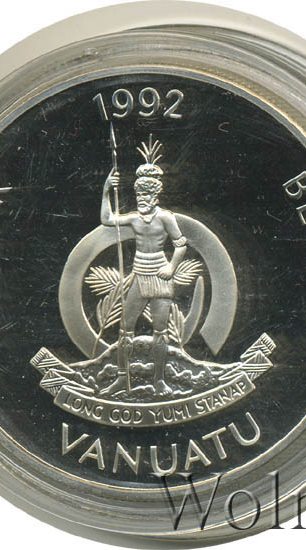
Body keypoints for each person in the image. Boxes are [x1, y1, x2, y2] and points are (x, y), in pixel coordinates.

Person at [100, 136, 187, 396]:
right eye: (138, 194)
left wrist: (171, 268)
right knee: (125, 329)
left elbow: (181, 245)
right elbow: (107, 219)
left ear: (155, 195)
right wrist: (106, 190)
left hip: (160, 276)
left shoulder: (166, 218)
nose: (141, 198)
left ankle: (159, 380)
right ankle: (121, 378)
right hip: (139, 276)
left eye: (146, 194)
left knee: (160, 332)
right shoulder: (134, 219)